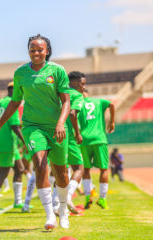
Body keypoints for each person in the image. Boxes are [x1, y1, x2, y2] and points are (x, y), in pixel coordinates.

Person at [0, 34, 71, 229]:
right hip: (32, 126)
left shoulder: (58, 71)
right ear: (28, 51)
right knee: (41, 165)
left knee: (61, 172)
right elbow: (15, 101)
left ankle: (63, 210)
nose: (36, 53)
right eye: (32, 50)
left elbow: (66, 101)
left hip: (56, 127)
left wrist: (60, 123)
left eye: (40, 50)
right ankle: (50, 215)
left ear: (47, 51)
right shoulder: (20, 73)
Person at [0, 82, 26, 210]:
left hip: (3, 142)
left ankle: (18, 201)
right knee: (3, 173)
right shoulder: (12, 103)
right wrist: (25, 142)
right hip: (7, 142)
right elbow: (15, 126)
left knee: (20, 169)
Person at [78, 85, 115, 210]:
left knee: (86, 170)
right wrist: (112, 122)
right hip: (99, 139)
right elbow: (112, 105)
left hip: (84, 140)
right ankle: (102, 199)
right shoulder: (98, 101)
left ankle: (88, 198)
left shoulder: (78, 104)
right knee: (104, 169)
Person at [64, 71, 86, 214]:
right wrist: (77, 133)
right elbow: (72, 113)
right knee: (79, 168)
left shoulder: (60, 93)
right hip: (68, 135)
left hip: (52, 132)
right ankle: (66, 198)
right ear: (75, 82)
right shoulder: (77, 96)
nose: (83, 87)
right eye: (82, 84)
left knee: (60, 171)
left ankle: (57, 205)